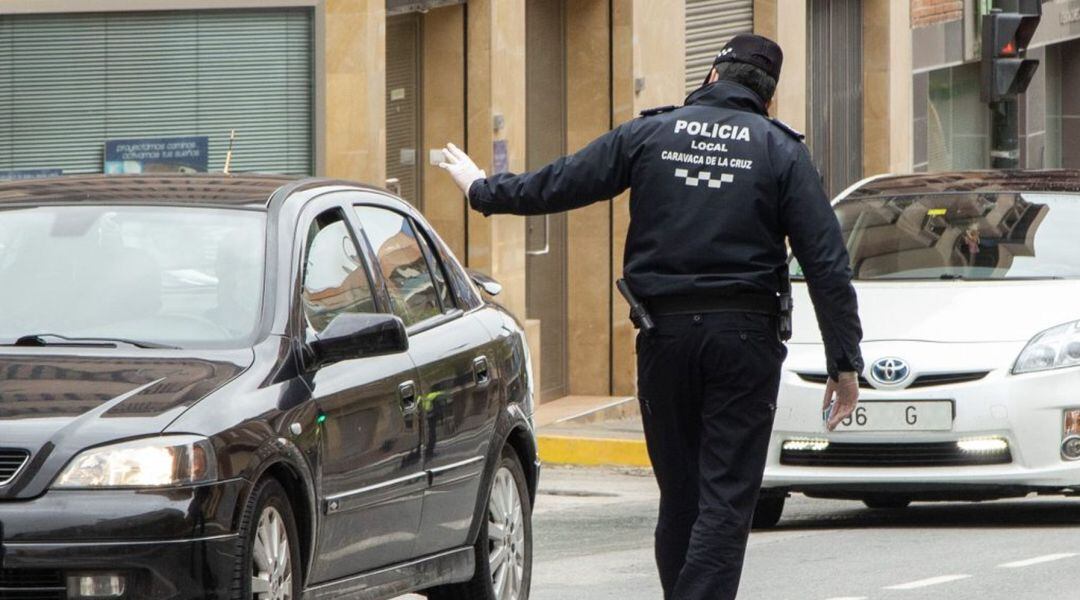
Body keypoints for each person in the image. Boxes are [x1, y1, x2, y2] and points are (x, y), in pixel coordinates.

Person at [439, 33, 863, 600]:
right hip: (743, 343)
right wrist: (845, 363)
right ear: (768, 98)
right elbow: (827, 264)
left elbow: (563, 181)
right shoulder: (779, 149)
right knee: (724, 500)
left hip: (663, 338)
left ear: (713, 75)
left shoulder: (651, 133)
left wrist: (483, 190)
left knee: (682, 499)